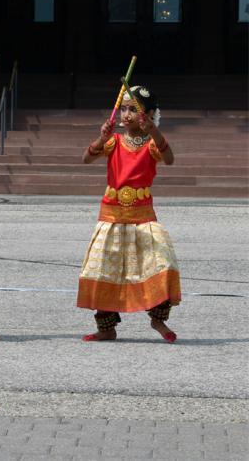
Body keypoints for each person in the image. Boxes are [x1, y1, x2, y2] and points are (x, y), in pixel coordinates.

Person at [78, 85, 179, 343]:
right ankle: (106, 328)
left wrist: (153, 130)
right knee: (105, 270)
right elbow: (86, 159)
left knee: (161, 264)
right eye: (123, 109)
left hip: (142, 217)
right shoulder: (113, 141)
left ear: (149, 114)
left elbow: (169, 159)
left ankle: (158, 320)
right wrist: (101, 137)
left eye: (133, 110)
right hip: (111, 216)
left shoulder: (151, 144)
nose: (126, 115)